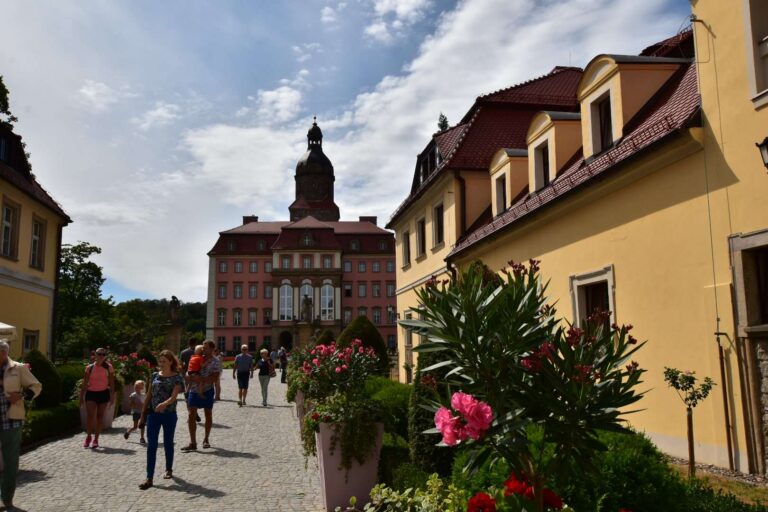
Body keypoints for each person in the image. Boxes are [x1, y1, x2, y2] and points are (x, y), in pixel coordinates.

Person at [0, 339, 41, 510]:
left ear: (4, 352)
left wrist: (22, 395)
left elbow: (36, 385)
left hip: (11, 421)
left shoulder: (17, 368)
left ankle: (6, 499)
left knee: (10, 461)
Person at [138, 350, 184, 490]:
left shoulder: (177, 377)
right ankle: (149, 477)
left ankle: (169, 469)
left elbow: (174, 396)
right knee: (152, 445)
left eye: (164, 361)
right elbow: (148, 396)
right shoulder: (154, 375)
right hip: (153, 414)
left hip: (169, 414)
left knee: (168, 442)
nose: (162, 363)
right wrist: (142, 414)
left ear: (171, 361)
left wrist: (164, 404)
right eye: (160, 361)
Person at [181, 340, 221, 451]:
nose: (204, 350)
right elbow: (188, 371)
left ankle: (206, 439)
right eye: (203, 348)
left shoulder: (215, 361)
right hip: (193, 390)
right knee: (191, 414)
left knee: (208, 414)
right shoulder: (196, 357)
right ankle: (193, 442)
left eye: (206, 348)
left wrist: (201, 379)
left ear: (213, 349)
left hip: (207, 390)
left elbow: (215, 378)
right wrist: (187, 376)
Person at [80, 347, 115, 449]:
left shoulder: (109, 367)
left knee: (100, 417)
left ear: (105, 356)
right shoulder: (89, 368)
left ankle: (96, 439)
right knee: (90, 416)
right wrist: (81, 397)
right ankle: (88, 436)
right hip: (91, 393)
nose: (101, 356)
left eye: (103, 354)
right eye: (99, 354)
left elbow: (112, 383)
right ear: (95, 355)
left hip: (103, 393)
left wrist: (112, 396)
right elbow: (85, 383)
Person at [179, 338, 201, 423]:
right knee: (195, 394)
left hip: (187, 376)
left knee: (187, 395)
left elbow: (180, 365)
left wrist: (183, 375)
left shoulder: (183, 352)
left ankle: (191, 413)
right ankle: (194, 412)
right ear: (195, 343)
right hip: (197, 376)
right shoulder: (199, 352)